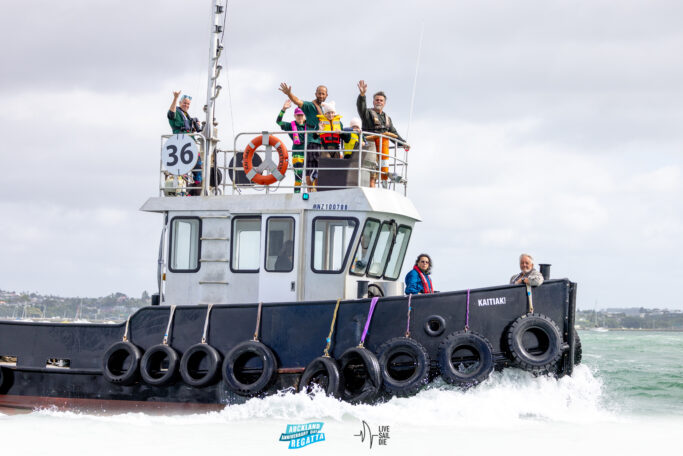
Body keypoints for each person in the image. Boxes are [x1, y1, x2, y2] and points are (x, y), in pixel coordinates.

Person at [356, 80, 410, 187]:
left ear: (384, 103)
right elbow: (361, 108)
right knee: (371, 169)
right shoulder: (367, 114)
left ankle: (384, 185)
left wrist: (403, 143)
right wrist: (362, 95)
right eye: (377, 100)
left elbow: (394, 133)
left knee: (383, 168)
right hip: (370, 144)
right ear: (373, 102)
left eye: (381, 100)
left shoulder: (387, 119)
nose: (379, 102)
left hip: (382, 146)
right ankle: (372, 188)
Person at [278, 83, 327, 188]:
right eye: (319, 93)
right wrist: (289, 94)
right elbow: (297, 101)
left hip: (318, 144)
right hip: (306, 148)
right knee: (302, 176)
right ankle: (305, 193)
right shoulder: (309, 106)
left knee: (318, 172)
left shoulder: (323, 110)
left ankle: (315, 191)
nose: (321, 96)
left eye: (323, 94)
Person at [167, 91, 204, 195]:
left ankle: (196, 192)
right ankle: (181, 193)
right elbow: (171, 114)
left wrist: (195, 125)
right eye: (184, 103)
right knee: (182, 171)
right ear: (180, 103)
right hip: (180, 145)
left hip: (190, 145)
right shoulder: (176, 112)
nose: (186, 105)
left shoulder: (187, 116)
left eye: (188, 104)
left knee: (197, 168)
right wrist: (175, 98)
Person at [276, 100, 309, 192]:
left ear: (304, 116)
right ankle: (297, 195)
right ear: (295, 116)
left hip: (308, 154)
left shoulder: (309, 125)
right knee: (298, 177)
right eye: (298, 115)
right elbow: (278, 122)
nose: (300, 117)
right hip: (297, 154)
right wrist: (283, 109)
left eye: (301, 115)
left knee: (310, 177)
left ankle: (312, 195)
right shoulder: (291, 125)